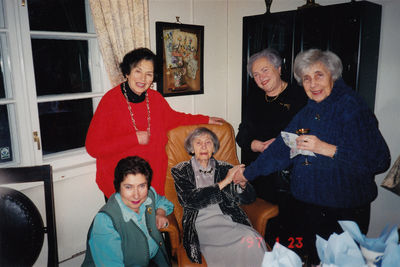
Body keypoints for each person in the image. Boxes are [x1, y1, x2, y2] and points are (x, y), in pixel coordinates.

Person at [233, 49, 391, 265]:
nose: (313, 84)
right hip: (310, 206)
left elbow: (379, 159)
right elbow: (281, 149)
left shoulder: (352, 108)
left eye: (319, 75)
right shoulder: (308, 111)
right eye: (306, 78)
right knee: (315, 259)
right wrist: (247, 174)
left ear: (332, 75)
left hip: (344, 209)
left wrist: (327, 148)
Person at [85, 48, 223, 198]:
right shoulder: (110, 101)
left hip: (152, 185)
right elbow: (93, 147)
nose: (143, 78)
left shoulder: (155, 99)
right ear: (127, 72)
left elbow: (176, 118)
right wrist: (133, 138)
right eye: (138, 71)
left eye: (149, 74)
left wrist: (205, 119)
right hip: (121, 187)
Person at [236, 48, 308, 248]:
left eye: (265, 70)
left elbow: (307, 133)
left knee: (289, 229)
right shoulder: (255, 99)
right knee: (263, 229)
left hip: (289, 175)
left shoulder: (299, 96)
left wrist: (279, 142)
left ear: (278, 68)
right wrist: (256, 145)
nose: (261, 78)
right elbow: (242, 133)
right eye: (256, 75)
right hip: (260, 174)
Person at [171, 127, 267, 266]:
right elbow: (190, 200)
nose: (204, 146)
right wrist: (225, 181)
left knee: (253, 238)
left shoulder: (224, 168)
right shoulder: (181, 171)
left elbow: (248, 199)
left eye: (208, 142)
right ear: (191, 148)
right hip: (200, 226)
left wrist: (243, 185)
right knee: (245, 241)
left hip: (227, 221)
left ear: (214, 147)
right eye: (198, 143)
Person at [82, 156, 173, 267]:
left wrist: (160, 213)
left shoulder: (149, 195)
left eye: (141, 186)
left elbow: (164, 202)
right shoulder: (105, 222)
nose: (136, 195)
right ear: (118, 187)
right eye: (128, 187)